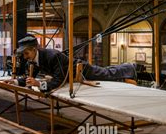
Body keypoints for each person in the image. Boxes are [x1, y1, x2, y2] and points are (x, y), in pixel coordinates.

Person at [8, 35, 137, 92]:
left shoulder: (52, 56)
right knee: (106, 71)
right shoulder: (35, 59)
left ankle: (130, 68)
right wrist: (14, 82)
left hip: (81, 70)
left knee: (106, 73)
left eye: (26, 53)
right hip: (69, 74)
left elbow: (58, 81)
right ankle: (125, 73)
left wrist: (38, 84)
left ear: (34, 49)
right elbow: (29, 77)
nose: (25, 57)